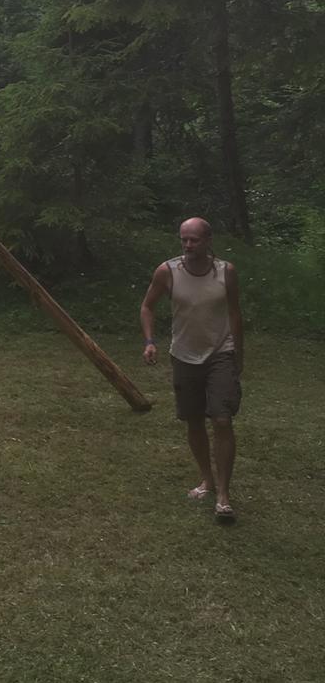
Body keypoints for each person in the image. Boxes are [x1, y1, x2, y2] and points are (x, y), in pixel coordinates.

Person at [140, 216, 245, 523]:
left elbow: (235, 312)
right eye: (183, 239)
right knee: (194, 420)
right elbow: (147, 306)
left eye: (194, 240)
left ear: (208, 240)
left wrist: (239, 354)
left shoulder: (226, 272)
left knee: (222, 419)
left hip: (221, 353)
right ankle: (206, 480)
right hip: (184, 356)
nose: (187, 245)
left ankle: (223, 495)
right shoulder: (167, 271)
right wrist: (150, 341)